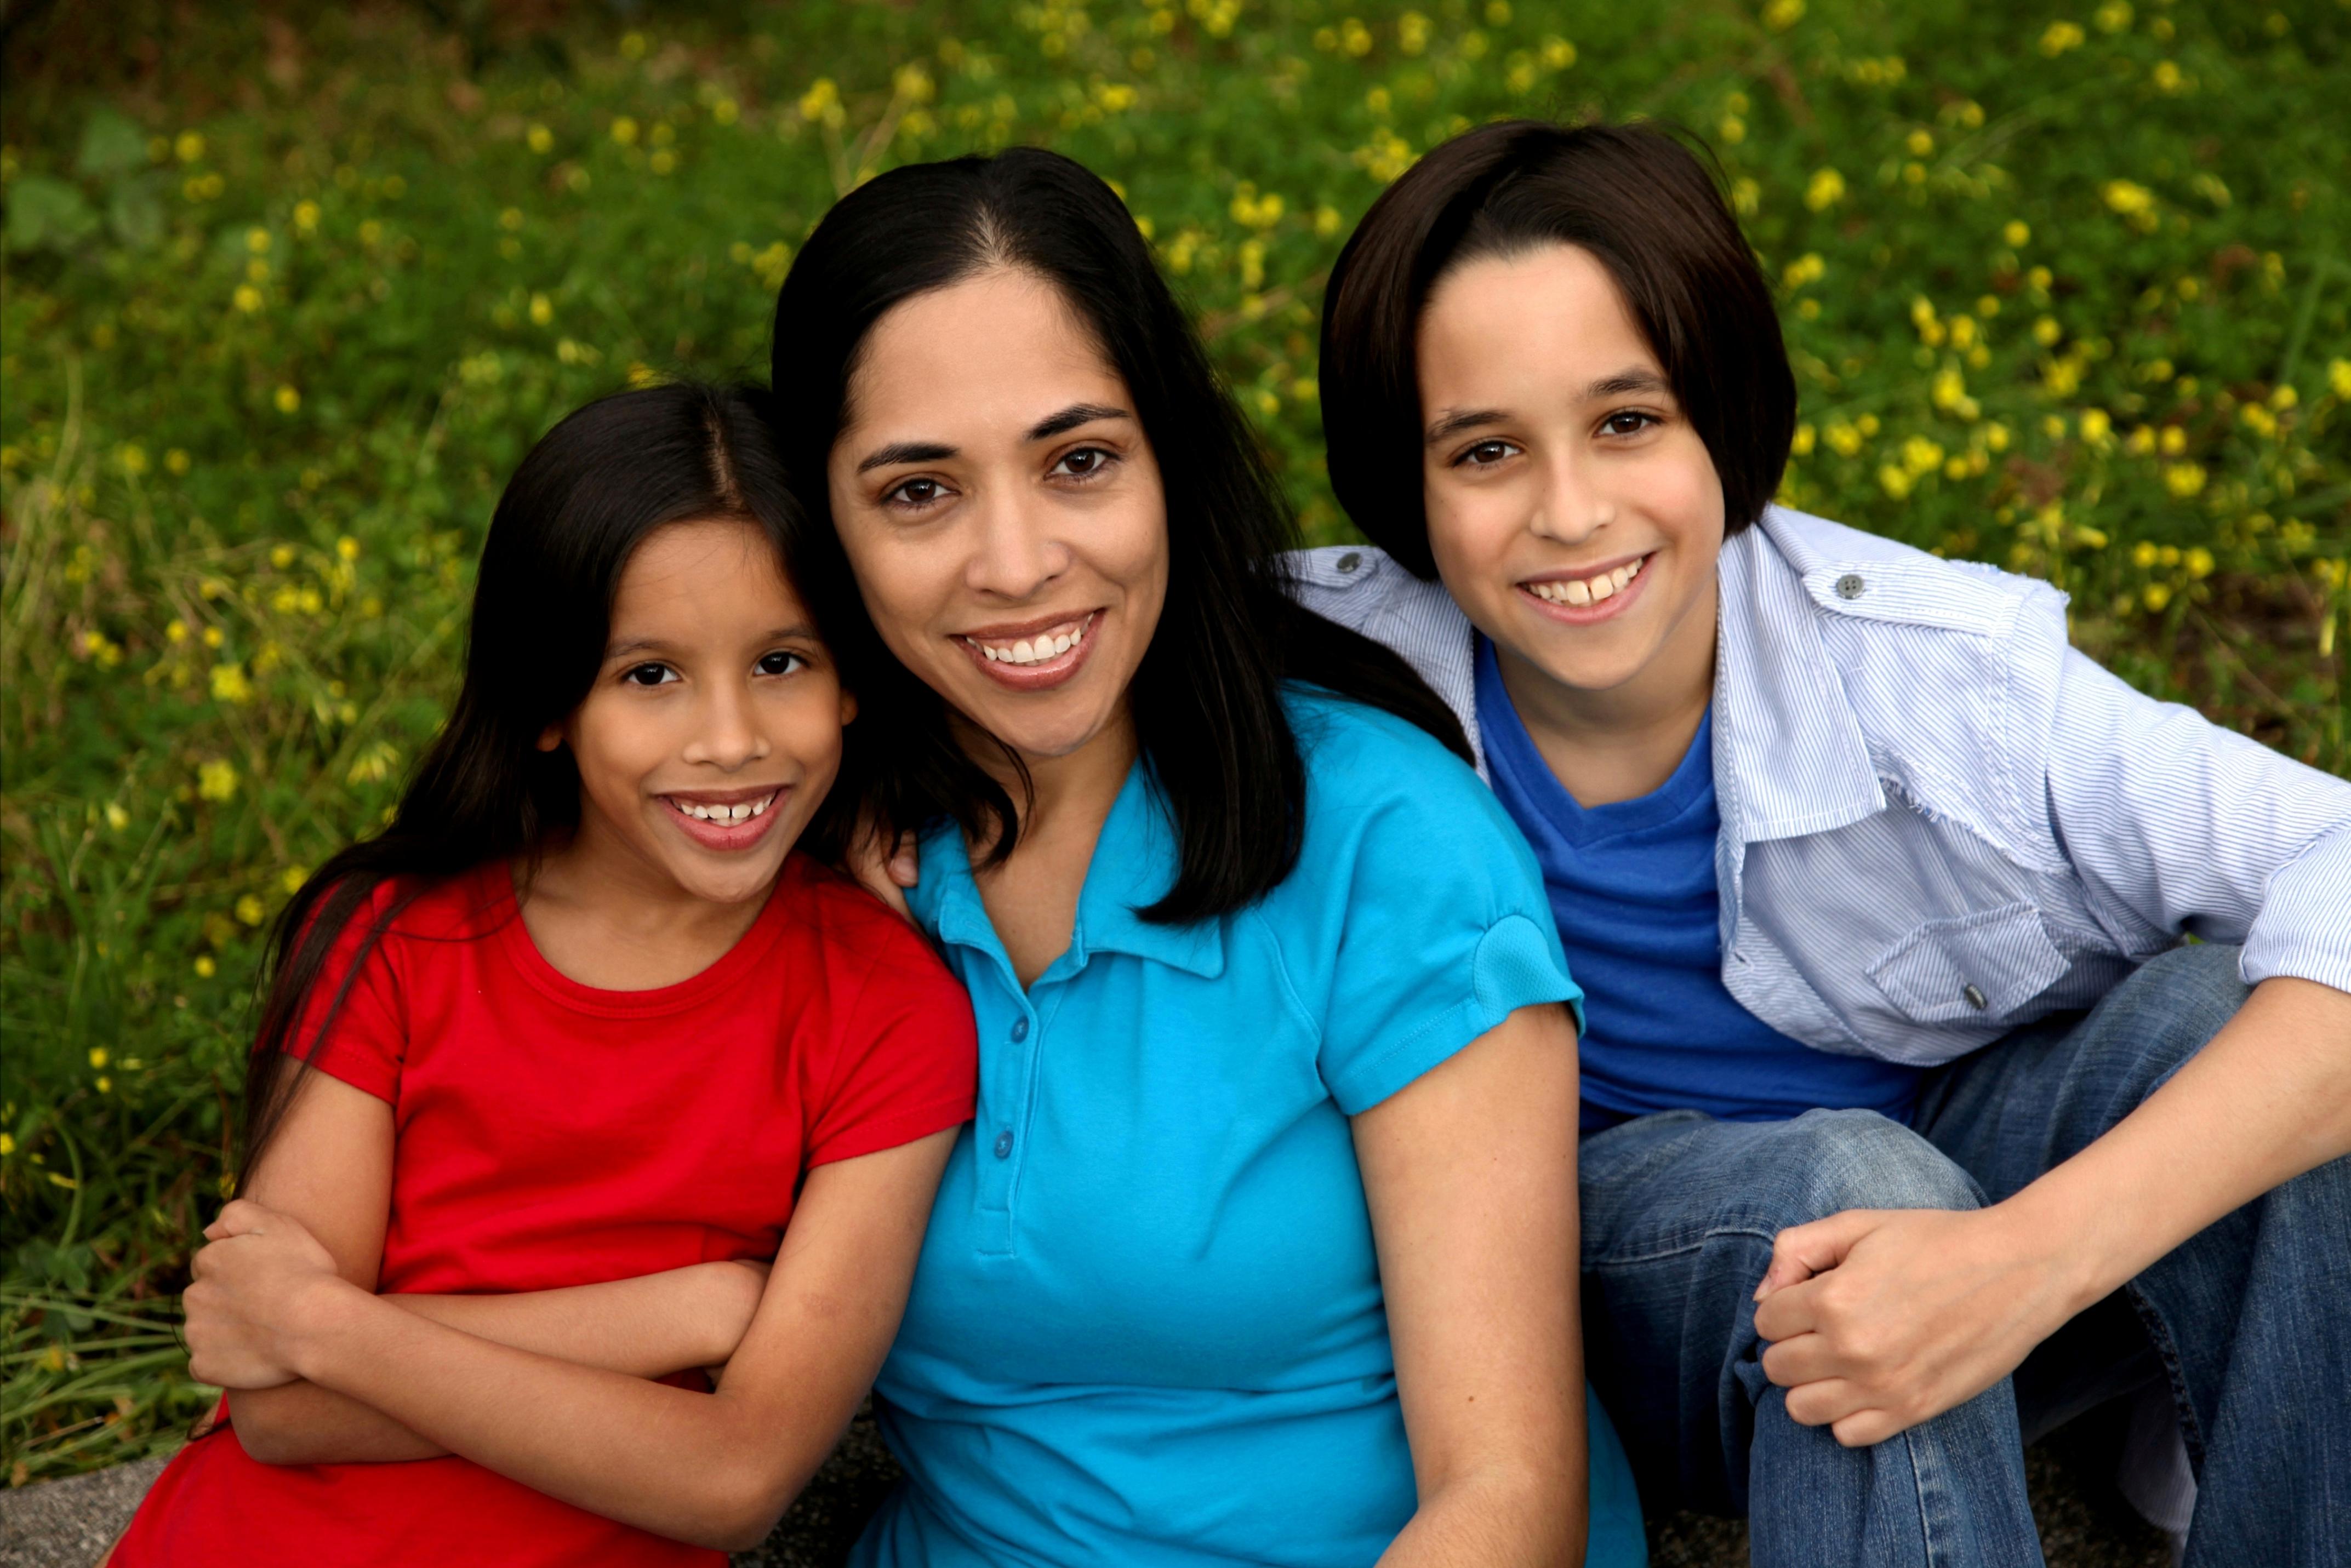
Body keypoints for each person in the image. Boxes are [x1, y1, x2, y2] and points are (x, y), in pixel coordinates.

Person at [1296, 119, 2351, 1567]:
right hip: (1590, 1297)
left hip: (1979, 1246)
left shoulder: (1933, 677)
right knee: (1854, 1209)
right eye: (1485, 449)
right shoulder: (1319, 679)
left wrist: (2023, 1257)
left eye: (1626, 420)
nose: (1569, 509)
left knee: (2244, 1012)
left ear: (1720, 412)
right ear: (1402, 484)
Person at [767, 146, 1649, 1567]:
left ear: (1170, 456)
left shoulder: (1383, 844)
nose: (1014, 558)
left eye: (1079, 461)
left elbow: (1508, 1498)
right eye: (918, 491)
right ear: (827, 527)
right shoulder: (814, 857)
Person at [108, 384, 979, 1567]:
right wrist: (685, 1311)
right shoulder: (394, 938)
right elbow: (280, 1408)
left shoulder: (886, 1009)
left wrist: (330, 1322)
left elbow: (732, 1478)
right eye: (649, 676)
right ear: (550, 703)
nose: (730, 739)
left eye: (781, 661)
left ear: (851, 682)